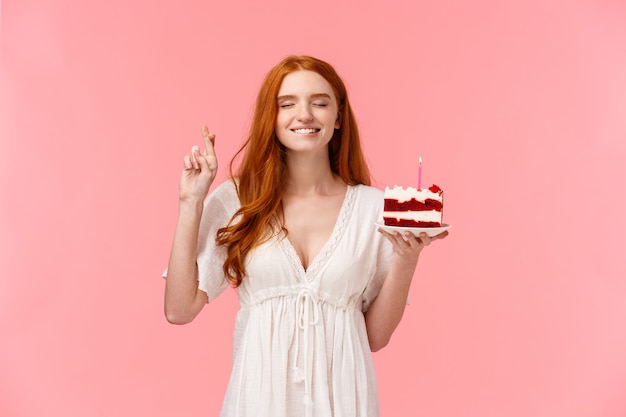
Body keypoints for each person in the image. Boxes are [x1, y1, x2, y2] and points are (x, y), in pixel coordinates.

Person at [163, 55, 447, 417]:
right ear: (272, 116)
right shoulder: (239, 199)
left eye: (320, 102)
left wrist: (407, 260)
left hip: (345, 403)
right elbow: (178, 309)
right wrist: (191, 201)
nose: (305, 115)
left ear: (339, 116)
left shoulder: (375, 209)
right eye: (287, 104)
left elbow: (374, 338)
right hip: (256, 403)